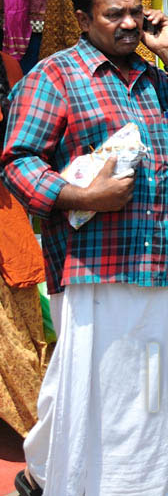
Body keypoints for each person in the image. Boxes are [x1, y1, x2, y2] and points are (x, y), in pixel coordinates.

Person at [2, 0, 168, 496]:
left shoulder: (155, 78)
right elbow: (18, 161)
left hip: (158, 258)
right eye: (112, 14)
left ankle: (71, 474)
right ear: (83, 18)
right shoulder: (55, 77)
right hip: (95, 263)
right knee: (93, 382)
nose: (127, 24)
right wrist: (81, 196)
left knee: (139, 387)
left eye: (133, 12)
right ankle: (89, 482)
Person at [0, 50, 47, 443]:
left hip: (6, 216)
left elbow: (25, 146)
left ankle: (44, 427)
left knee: (20, 334)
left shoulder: (8, 66)